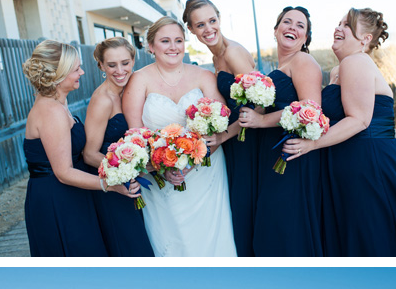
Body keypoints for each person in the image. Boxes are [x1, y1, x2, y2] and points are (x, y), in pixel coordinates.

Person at [281, 8, 396, 256]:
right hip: (350, 160)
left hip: (367, 162)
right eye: (338, 23)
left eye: (346, 25)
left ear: (365, 39)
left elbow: (358, 120)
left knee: (373, 232)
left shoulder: (355, 62)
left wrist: (311, 145)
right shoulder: (339, 69)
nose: (338, 28)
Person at [122, 16, 237, 256]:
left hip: (206, 171)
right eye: (165, 41)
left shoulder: (204, 77)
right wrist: (163, 167)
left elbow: (220, 124)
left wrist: (192, 162)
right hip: (161, 176)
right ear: (151, 46)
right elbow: (135, 136)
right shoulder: (139, 80)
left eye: (178, 40)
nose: (173, 47)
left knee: (212, 239)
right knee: (172, 240)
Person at [22, 40, 140, 256]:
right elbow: (63, 172)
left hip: (73, 194)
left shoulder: (59, 102)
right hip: (57, 199)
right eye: (76, 68)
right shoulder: (51, 112)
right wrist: (111, 185)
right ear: (59, 74)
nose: (82, 72)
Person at [239, 6, 324, 256]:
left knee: (285, 224)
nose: (292, 28)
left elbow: (311, 108)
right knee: (273, 221)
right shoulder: (276, 68)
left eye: (300, 26)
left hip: (292, 155)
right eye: (287, 22)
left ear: (306, 38)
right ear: (275, 31)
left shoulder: (303, 61)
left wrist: (260, 121)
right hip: (271, 153)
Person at [183, 0, 258, 256]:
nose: (208, 29)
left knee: (246, 202)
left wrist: (224, 135)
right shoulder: (216, 57)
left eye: (212, 21)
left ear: (219, 19)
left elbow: (259, 104)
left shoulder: (234, 53)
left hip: (248, 139)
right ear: (191, 30)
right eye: (200, 25)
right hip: (234, 139)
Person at [82, 37, 154, 257]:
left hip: (141, 182)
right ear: (101, 66)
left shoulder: (136, 87)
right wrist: (125, 171)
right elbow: (89, 154)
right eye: (112, 65)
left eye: (125, 62)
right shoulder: (102, 100)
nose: (120, 70)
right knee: (131, 246)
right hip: (117, 188)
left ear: (133, 60)